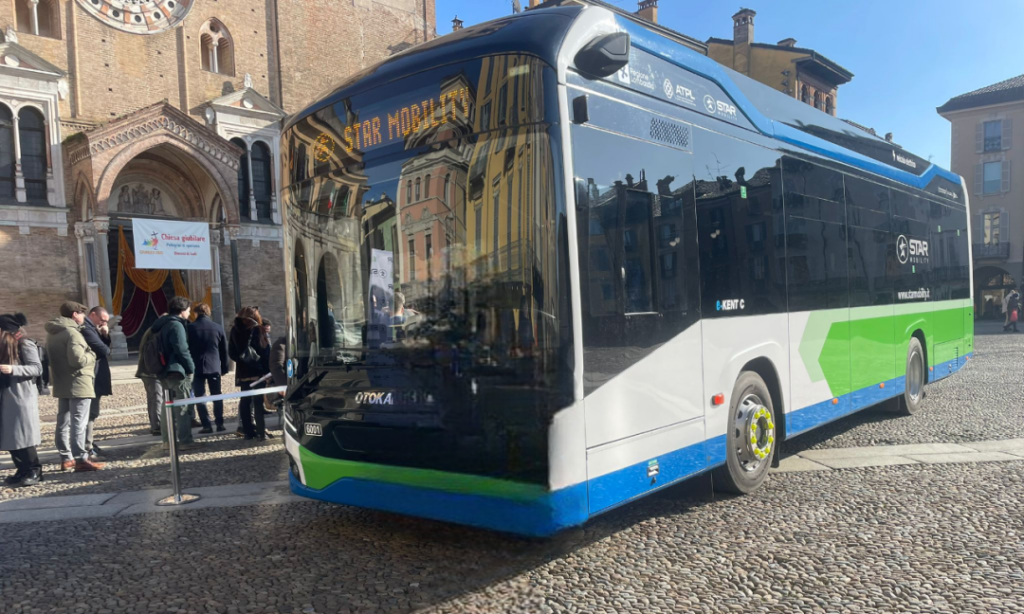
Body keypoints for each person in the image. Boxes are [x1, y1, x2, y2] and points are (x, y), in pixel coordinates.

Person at [46, 301, 103, 472]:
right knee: (79, 421)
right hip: (78, 382)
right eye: (82, 314)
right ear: (74, 315)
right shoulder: (72, 334)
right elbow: (77, 360)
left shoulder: (53, 333)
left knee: (63, 421)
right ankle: (81, 459)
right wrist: (91, 355)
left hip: (62, 381)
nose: (84, 317)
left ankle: (66, 457)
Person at [0, 314, 44, 487]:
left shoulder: (25, 343)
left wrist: (13, 369)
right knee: (10, 435)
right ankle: (21, 469)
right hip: (6, 395)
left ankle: (34, 470)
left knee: (23, 435)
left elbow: (37, 368)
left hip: (21, 396)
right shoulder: (5, 345)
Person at [150, 297, 199, 449]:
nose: (189, 313)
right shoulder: (176, 325)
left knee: (168, 406)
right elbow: (181, 349)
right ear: (182, 310)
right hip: (177, 370)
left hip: (164, 370)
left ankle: (167, 441)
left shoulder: (162, 324)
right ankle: (185, 441)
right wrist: (191, 368)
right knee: (182, 407)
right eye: (188, 310)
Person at [228, 306, 271, 441]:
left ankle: (248, 432)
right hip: (258, 371)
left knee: (245, 401)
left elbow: (232, 353)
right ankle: (261, 432)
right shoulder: (258, 329)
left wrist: (243, 361)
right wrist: (266, 370)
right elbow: (265, 351)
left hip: (243, 372)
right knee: (258, 402)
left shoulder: (234, 330)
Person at [187, 303, 229, 434]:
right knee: (217, 395)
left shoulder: (190, 328)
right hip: (214, 366)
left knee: (200, 396)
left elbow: (186, 349)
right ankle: (220, 423)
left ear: (196, 313)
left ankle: (206, 425)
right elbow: (224, 350)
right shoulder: (217, 327)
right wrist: (224, 367)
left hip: (196, 366)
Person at [81, 306, 112, 460]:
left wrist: (105, 334)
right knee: (90, 413)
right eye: (102, 320)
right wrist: (103, 342)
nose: (103, 323)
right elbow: (104, 350)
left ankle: (89, 443)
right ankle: (87, 446)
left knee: (92, 413)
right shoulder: (86, 329)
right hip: (92, 377)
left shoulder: (92, 328)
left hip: (96, 375)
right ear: (92, 315)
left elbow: (104, 347)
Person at [135, 321, 164, 436]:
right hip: (151, 372)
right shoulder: (156, 333)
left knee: (153, 398)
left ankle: (155, 424)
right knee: (157, 398)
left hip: (146, 371)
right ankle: (157, 425)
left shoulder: (151, 331)